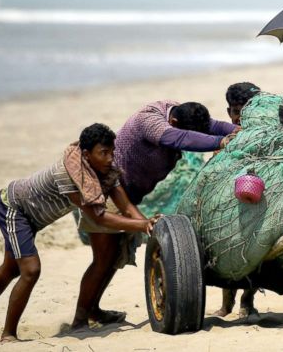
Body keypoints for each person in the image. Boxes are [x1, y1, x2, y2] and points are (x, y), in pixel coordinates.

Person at [0, 124, 155, 345]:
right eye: (103, 153)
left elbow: (126, 207)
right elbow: (99, 217)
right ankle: (8, 335)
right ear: (87, 155)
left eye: (111, 152)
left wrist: (149, 224)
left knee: (10, 269)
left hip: (31, 217)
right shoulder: (69, 175)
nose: (109, 158)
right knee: (30, 270)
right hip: (13, 207)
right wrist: (142, 225)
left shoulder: (105, 170)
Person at [72, 100, 237, 329]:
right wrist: (221, 142)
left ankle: (93, 310)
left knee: (114, 259)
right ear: (174, 122)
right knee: (102, 260)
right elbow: (177, 139)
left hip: (129, 195)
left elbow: (213, 125)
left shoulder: (185, 113)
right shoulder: (150, 120)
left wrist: (240, 131)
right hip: (105, 190)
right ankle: (80, 318)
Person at [212, 82, 263, 321]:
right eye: (234, 111)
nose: (238, 117)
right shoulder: (225, 139)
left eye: (244, 111)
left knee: (256, 251)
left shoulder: (265, 136)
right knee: (227, 249)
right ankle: (227, 303)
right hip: (229, 207)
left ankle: (247, 300)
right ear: (228, 112)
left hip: (257, 204)